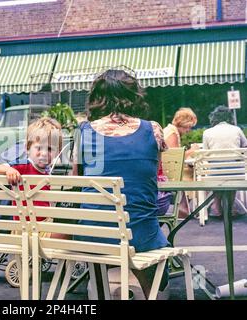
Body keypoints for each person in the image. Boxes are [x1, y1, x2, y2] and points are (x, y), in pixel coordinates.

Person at [74, 68, 169, 299]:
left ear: (96, 99)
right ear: (135, 95)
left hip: (94, 235)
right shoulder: (153, 129)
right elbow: (154, 175)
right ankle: (152, 291)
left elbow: (77, 180)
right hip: (140, 234)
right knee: (146, 236)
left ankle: (100, 290)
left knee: (99, 228)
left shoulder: (84, 132)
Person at [203, 105, 247, 217]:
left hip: (214, 174)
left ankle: (216, 207)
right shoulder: (237, 130)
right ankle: (231, 208)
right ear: (229, 118)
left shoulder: (207, 132)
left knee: (216, 172)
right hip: (236, 173)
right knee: (233, 174)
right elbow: (245, 146)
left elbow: (205, 152)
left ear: (214, 118)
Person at [163, 107, 199, 216]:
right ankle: (184, 207)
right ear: (184, 123)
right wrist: (192, 151)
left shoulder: (171, 130)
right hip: (169, 171)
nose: (189, 130)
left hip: (168, 168)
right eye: (189, 126)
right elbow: (175, 158)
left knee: (192, 170)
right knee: (194, 173)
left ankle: (184, 207)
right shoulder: (173, 133)